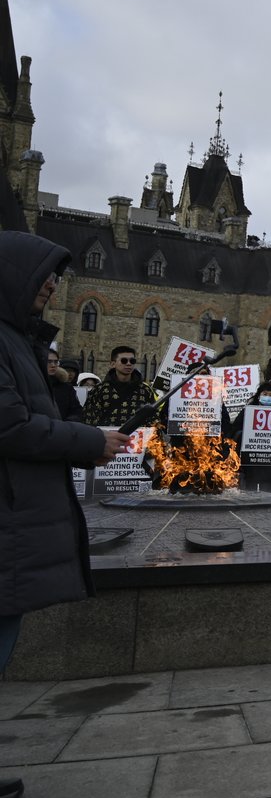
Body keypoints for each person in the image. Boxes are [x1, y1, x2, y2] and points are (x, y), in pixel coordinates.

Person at [0, 232, 130, 728]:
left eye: (56, 277)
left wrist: (84, 444)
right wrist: (89, 441)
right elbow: (11, 426)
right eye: (44, 275)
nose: (53, 285)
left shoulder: (18, 338)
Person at [82, 344, 159, 428]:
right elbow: (89, 419)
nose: (128, 364)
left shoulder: (145, 390)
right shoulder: (99, 390)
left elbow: (153, 418)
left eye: (132, 361)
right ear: (113, 364)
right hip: (107, 435)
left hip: (137, 435)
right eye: (124, 361)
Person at [230, 380, 271, 492]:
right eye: (265, 394)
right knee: (249, 489)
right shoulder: (248, 411)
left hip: (270, 459)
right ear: (259, 396)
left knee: (268, 490)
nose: (268, 397)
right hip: (251, 458)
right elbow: (235, 429)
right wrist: (243, 435)